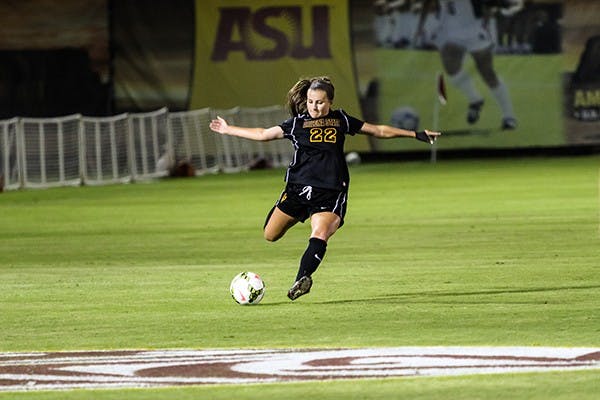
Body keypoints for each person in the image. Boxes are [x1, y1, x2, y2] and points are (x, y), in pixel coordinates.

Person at [209, 76, 441, 301]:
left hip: (330, 191)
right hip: (298, 189)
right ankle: (299, 249)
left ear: (330, 101)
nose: (315, 107)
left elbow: (378, 130)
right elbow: (263, 134)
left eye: (320, 102)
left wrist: (416, 134)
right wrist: (229, 130)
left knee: (320, 233)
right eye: (311, 102)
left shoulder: (341, 120)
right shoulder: (297, 123)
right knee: (270, 235)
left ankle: (302, 279)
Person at [415, 0, 519, 130]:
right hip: (449, 31)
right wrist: (421, 25)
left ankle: (509, 116)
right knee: (451, 68)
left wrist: (505, 4)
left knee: (487, 73)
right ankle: (475, 99)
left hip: (474, 29)